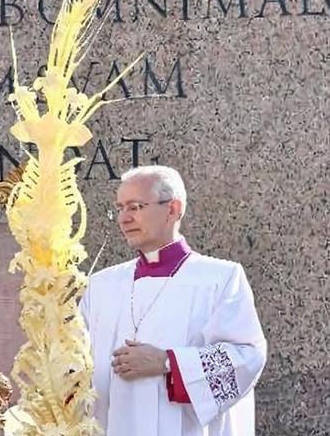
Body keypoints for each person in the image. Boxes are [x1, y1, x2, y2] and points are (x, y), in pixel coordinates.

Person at [79, 165, 267, 435]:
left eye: (135, 207)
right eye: (119, 208)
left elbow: (247, 356)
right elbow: (75, 358)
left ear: (173, 209)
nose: (124, 218)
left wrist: (168, 363)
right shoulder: (100, 285)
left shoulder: (220, 278)